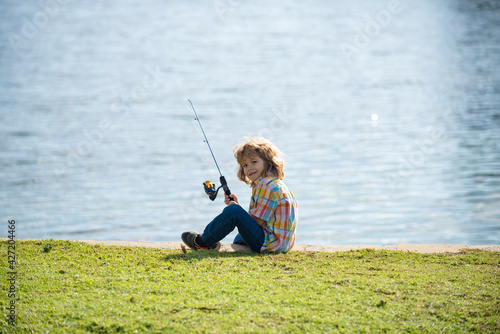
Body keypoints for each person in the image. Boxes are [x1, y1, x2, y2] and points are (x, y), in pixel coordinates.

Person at [182, 137, 298, 253]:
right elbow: (259, 219)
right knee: (239, 237)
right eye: (245, 165)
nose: (249, 168)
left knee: (233, 211)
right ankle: (214, 243)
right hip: (282, 244)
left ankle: (202, 242)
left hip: (270, 245)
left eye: (254, 162)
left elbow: (257, 222)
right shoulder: (273, 183)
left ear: (268, 162)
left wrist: (236, 210)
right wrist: (238, 208)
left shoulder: (266, 186)